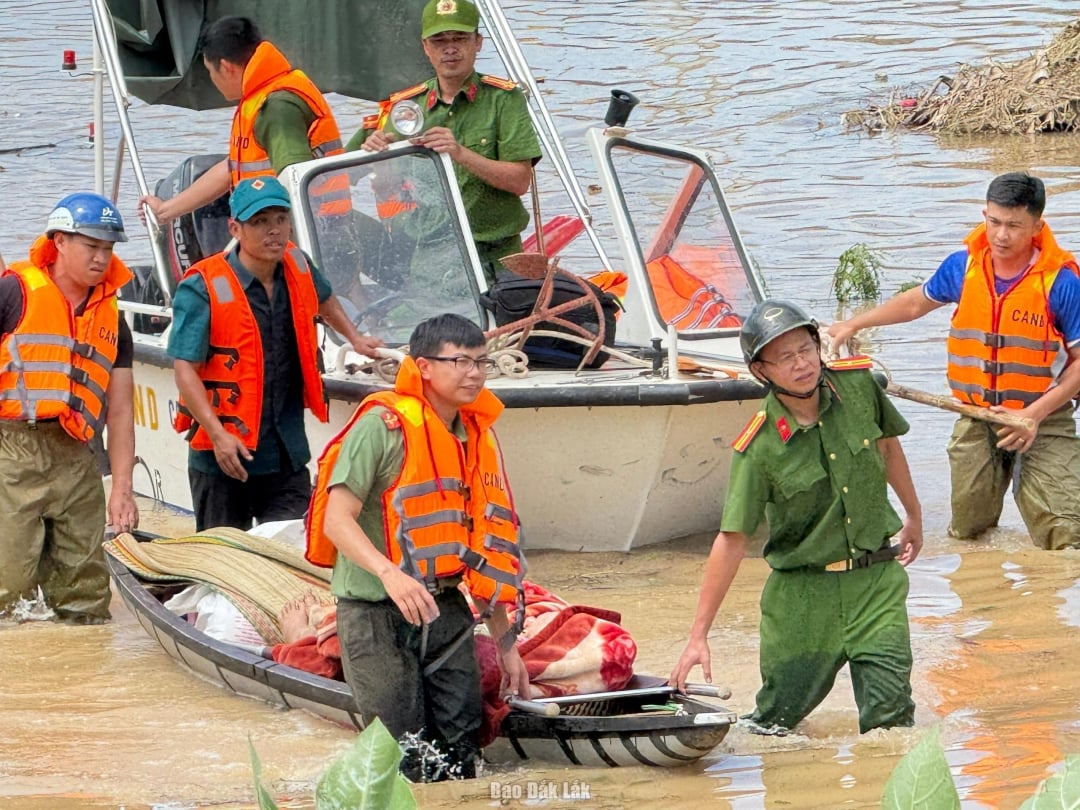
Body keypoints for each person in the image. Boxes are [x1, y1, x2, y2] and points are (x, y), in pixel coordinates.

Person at [670, 299, 923, 735]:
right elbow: (731, 540)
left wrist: (913, 516)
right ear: (760, 371)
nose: (802, 364)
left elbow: (887, 446)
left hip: (875, 582)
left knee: (891, 724)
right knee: (774, 726)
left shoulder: (860, 386)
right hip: (803, 600)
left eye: (806, 349)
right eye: (785, 357)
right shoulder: (759, 446)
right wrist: (699, 634)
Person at [305, 312, 529, 781]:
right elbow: (335, 518)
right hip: (375, 611)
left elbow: (486, 550)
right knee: (402, 752)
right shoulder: (382, 426)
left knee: (463, 745)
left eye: (482, 363)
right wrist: (389, 572)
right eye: (461, 362)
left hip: (444, 606)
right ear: (424, 366)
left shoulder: (475, 437)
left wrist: (507, 644)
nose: (474, 374)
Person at [826, 172, 1080, 550]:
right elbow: (915, 303)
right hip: (976, 416)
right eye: (994, 222)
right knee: (969, 533)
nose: (1001, 236)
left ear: (1037, 226)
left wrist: (1035, 415)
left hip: (1043, 417)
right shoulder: (963, 267)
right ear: (984, 214)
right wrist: (853, 323)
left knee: (1066, 535)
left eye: (1014, 225)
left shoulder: (1061, 282)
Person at [168, 176, 382, 532]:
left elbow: (324, 296)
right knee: (224, 562)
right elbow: (184, 368)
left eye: (280, 219)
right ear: (235, 228)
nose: (274, 231)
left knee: (293, 552)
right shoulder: (203, 286)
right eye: (260, 221)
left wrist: (355, 338)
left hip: (284, 452)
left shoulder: (297, 265)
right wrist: (218, 435)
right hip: (223, 455)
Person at [0, 193, 139, 623]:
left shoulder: (112, 317)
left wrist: (122, 487)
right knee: (7, 588)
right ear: (59, 241)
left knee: (86, 592)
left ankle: (84, 674)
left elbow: (119, 412)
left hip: (79, 454)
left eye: (109, 248)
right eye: (91, 245)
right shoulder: (13, 293)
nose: (101, 258)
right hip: (10, 449)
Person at [349, 0, 542, 285]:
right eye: (439, 41)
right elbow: (367, 181)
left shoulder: (504, 100)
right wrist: (381, 153)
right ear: (426, 48)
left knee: (509, 325)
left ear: (478, 43)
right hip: (431, 255)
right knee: (420, 325)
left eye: (459, 39)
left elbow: (520, 181)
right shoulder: (408, 108)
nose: (449, 49)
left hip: (496, 256)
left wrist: (460, 153)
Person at [139, 16, 349, 226]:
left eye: (210, 72)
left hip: (315, 230)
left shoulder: (277, 107)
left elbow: (295, 181)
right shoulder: (263, 94)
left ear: (226, 67)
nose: (212, 80)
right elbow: (230, 169)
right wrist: (165, 211)